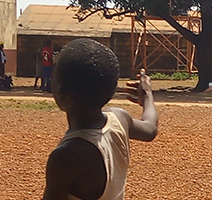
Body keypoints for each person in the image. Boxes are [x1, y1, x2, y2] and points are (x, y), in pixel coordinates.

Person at [43, 39, 158, 200]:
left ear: (61, 91)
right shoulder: (119, 118)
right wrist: (147, 96)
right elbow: (150, 128)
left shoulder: (66, 155)